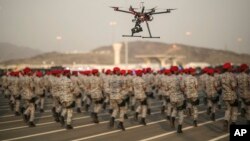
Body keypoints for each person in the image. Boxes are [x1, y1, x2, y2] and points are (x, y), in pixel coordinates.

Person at [220, 62, 238, 131]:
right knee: (234, 109)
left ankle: (226, 120)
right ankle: (233, 122)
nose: (232, 68)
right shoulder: (232, 75)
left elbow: (218, 85)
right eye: (231, 67)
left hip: (224, 96)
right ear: (228, 68)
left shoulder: (221, 76)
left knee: (227, 109)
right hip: (232, 95)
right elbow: (233, 87)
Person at [169, 66, 186, 133]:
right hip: (179, 98)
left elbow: (167, 88)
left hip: (172, 98)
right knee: (181, 112)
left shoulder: (168, 78)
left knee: (174, 109)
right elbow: (182, 88)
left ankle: (172, 118)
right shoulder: (180, 78)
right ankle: (179, 127)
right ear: (176, 71)